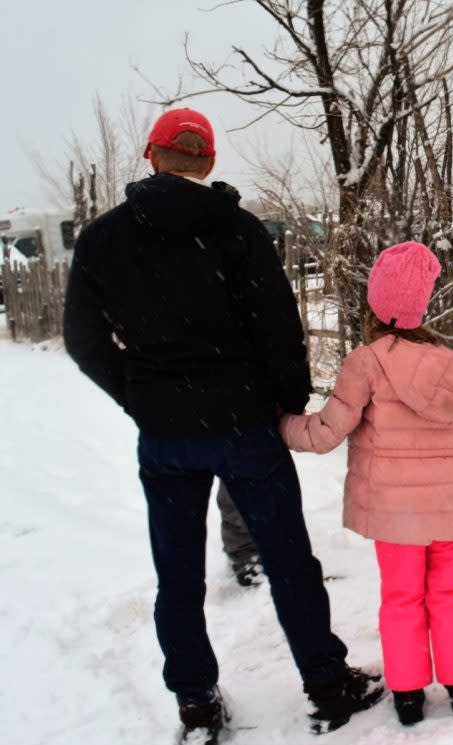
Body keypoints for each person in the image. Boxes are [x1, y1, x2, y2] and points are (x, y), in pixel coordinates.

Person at [63, 108, 383, 744]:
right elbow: (278, 326)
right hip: (244, 426)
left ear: (151, 156)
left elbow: (83, 339)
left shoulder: (103, 239)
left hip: (166, 438)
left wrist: (140, 397)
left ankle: (196, 704)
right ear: (208, 162)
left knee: (178, 574)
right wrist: (282, 401)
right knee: (288, 560)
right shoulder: (237, 230)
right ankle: (326, 682)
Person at [281, 241, 453, 727]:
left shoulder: (365, 363)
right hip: (447, 507)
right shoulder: (446, 365)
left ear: (376, 303)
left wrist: (282, 426)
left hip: (394, 516)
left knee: (401, 599)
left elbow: (327, 431)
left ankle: (409, 693)